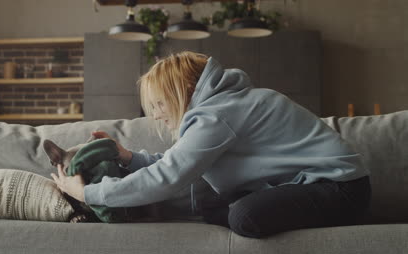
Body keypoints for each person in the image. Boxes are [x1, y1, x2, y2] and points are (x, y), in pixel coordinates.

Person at [51, 51, 371, 238]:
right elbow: (176, 162)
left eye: (160, 103)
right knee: (212, 204)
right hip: (315, 186)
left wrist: (87, 193)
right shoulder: (223, 107)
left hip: (340, 190)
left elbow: (169, 176)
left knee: (244, 217)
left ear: (184, 90)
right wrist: (128, 157)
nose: (158, 114)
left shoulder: (218, 115)